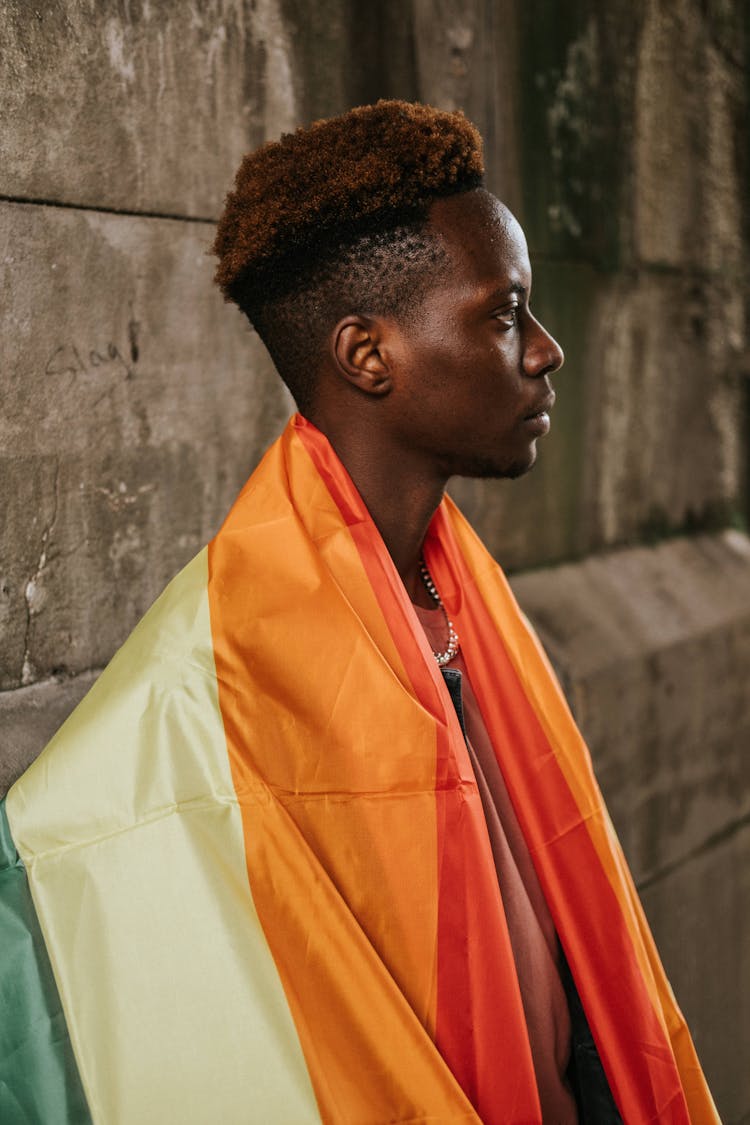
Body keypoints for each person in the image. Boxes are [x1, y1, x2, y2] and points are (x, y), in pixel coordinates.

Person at [0, 101, 717, 1124]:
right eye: (504, 313)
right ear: (368, 355)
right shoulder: (212, 690)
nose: (546, 350)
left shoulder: (463, 598)